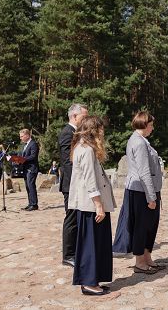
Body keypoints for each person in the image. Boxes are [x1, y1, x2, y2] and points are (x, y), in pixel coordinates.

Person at [68, 115, 116, 295]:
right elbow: (90, 180)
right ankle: (88, 282)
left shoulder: (83, 148)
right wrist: (99, 205)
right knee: (91, 244)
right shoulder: (86, 150)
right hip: (91, 206)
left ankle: (93, 279)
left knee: (96, 243)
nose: (103, 132)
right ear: (94, 130)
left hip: (90, 205)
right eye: (101, 129)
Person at [113, 111, 164, 274]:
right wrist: (151, 196)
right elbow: (143, 172)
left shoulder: (142, 141)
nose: (152, 128)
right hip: (141, 192)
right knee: (142, 227)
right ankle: (140, 262)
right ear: (143, 124)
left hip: (147, 190)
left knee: (150, 226)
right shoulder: (139, 143)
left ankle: (147, 258)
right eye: (151, 125)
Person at [59, 103, 88, 267]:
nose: (86, 120)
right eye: (84, 116)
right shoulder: (67, 133)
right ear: (74, 116)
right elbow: (67, 163)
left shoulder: (75, 132)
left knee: (77, 219)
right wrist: (78, 183)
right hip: (71, 184)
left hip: (77, 184)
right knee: (71, 220)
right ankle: (68, 255)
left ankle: (77, 250)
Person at [8, 129, 39, 211]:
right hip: (25, 169)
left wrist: (22, 159)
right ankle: (30, 203)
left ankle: (34, 204)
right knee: (27, 186)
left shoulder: (33, 144)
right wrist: (14, 159)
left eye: (22, 136)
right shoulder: (24, 145)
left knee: (31, 185)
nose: (20, 138)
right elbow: (20, 155)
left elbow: (33, 156)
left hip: (31, 169)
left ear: (27, 135)